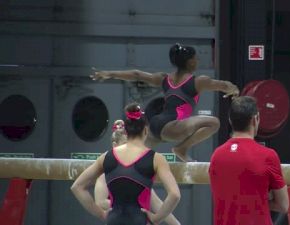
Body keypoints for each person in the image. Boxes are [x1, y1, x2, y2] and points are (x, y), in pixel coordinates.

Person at [90, 43, 240, 161]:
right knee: (214, 123)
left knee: (134, 157)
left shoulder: (164, 79)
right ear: (190, 62)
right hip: (172, 127)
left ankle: (115, 158)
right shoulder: (198, 82)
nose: (198, 61)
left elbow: (137, 74)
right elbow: (223, 85)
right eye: (196, 58)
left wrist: (109, 73)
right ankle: (182, 148)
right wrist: (234, 89)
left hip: (155, 126)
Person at [71, 102, 181, 225]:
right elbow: (175, 195)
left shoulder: (106, 157)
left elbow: (77, 187)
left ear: (126, 131)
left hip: (114, 220)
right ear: (145, 130)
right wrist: (156, 219)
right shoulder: (156, 159)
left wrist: (101, 214)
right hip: (139, 220)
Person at [208, 96, 289, 225]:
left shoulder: (216, 156)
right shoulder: (267, 156)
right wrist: (259, 200)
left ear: (230, 121)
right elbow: (283, 205)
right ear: (255, 119)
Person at [94, 119, 181, 225]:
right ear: (115, 145)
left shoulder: (138, 176)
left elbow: (157, 204)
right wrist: (128, 206)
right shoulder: (106, 172)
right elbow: (100, 202)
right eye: (125, 145)